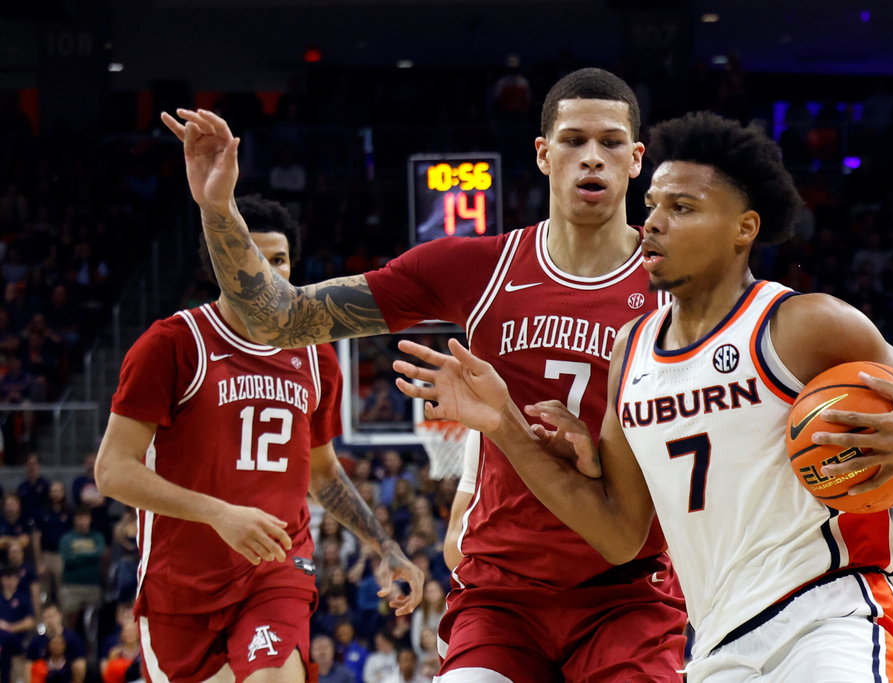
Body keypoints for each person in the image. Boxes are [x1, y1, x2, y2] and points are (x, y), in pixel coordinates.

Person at [391, 111, 893, 682]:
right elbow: (619, 533)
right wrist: (506, 426)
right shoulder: (631, 351)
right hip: (716, 644)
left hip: (830, 616)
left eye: (682, 208)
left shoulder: (803, 325)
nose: (652, 222)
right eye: (652, 205)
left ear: (744, 229)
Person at [162, 66, 688, 682]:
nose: (591, 158)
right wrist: (218, 209)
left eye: (610, 142)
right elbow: (282, 319)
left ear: (636, 159)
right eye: (573, 141)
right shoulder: (478, 269)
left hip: (626, 592)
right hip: (502, 597)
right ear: (544, 155)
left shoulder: (678, 287)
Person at [94, 195, 422, 683]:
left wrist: (384, 544)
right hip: (181, 585)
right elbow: (113, 471)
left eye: (279, 260)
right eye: (250, 258)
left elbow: (325, 472)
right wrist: (219, 514)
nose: (266, 273)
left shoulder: (315, 358)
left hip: (276, 570)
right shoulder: (172, 345)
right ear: (219, 265)